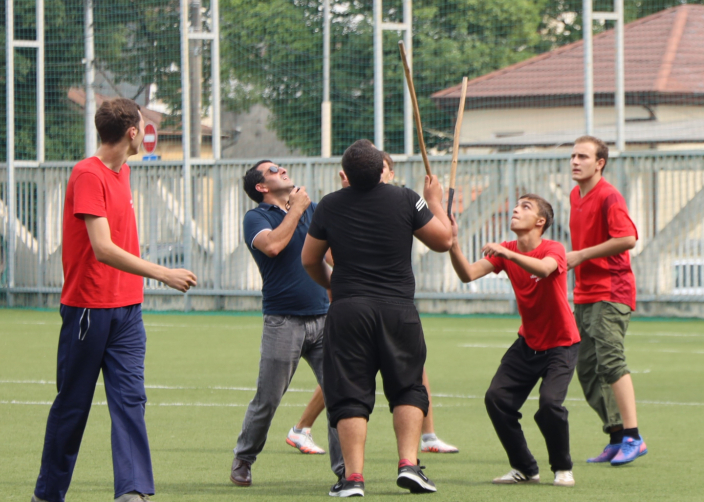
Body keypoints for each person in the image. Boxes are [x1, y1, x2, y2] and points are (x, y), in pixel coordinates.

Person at [31, 98, 197, 502]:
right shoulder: (87, 174)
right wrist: (163, 273)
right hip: (89, 311)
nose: (147, 131)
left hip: (127, 312)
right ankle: (48, 494)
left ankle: (133, 491)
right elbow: (102, 249)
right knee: (73, 408)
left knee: (130, 402)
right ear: (132, 132)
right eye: (144, 125)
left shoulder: (122, 173)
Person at [302, 139, 453, 497]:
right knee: (408, 387)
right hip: (397, 308)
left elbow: (310, 259)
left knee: (350, 393)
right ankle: (409, 465)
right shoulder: (405, 198)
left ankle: (353, 479)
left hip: (349, 309)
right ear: (383, 170)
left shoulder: (329, 204)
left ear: (346, 175)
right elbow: (445, 240)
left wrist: (333, 286)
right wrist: (434, 200)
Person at [447, 194, 580, 487]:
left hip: (562, 344)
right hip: (527, 344)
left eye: (525, 207)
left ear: (540, 221)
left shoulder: (553, 248)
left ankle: (562, 467)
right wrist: (453, 243)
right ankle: (524, 468)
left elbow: (545, 269)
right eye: (516, 206)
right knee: (497, 399)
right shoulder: (506, 250)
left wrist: (508, 256)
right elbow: (468, 274)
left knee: (549, 405)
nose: (515, 210)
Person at [230, 161, 344, 487]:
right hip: (283, 321)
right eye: (273, 170)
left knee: (339, 395)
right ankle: (244, 457)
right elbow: (274, 245)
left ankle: (345, 471)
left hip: (324, 318)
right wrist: (296, 210)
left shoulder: (311, 210)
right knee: (268, 399)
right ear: (261, 188)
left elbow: (332, 253)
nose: (282, 170)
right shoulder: (257, 218)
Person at [568, 135, 647, 466]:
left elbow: (628, 237)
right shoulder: (575, 194)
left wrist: (582, 254)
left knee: (611, 361)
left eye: (583, 156)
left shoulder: (609, 196)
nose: (575, 161)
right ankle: (616, 436)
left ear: (599, 163)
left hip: (611, 291)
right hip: (584, 292)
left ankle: (634, 436)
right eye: (572, 155)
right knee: (586, 368)